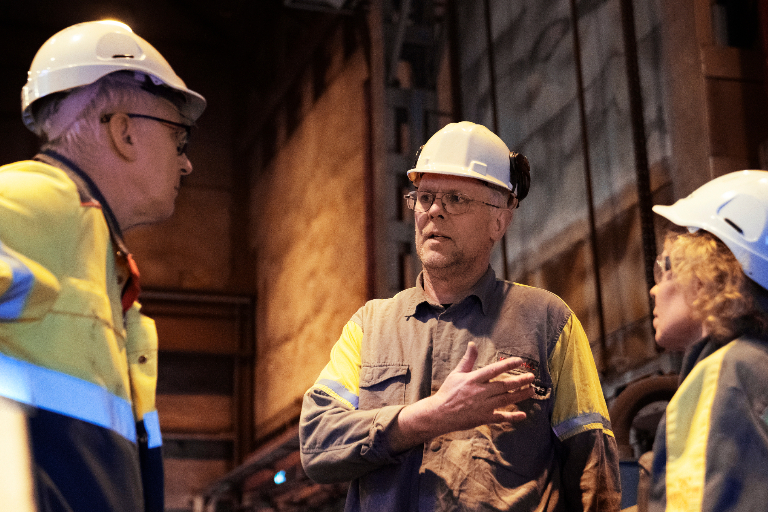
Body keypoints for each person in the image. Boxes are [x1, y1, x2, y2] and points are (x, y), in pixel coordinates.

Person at [300, 121, 621, 511]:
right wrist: (433, 415)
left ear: (499, 219)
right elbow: (317, 442)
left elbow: (593, 474)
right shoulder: (370, 327)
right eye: (425, 197)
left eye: (455, 198)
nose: (434, 211)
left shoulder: (549, 324)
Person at [0, 20, 205, 512]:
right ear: (124, 132)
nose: (186, 164)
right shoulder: (41, 201)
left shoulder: (98, 254)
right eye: (179, 140)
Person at [642, 170, 768, 511]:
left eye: (666, 267)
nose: (654, 289)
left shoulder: (725, 376)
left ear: (709, 273)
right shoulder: (758, 367)